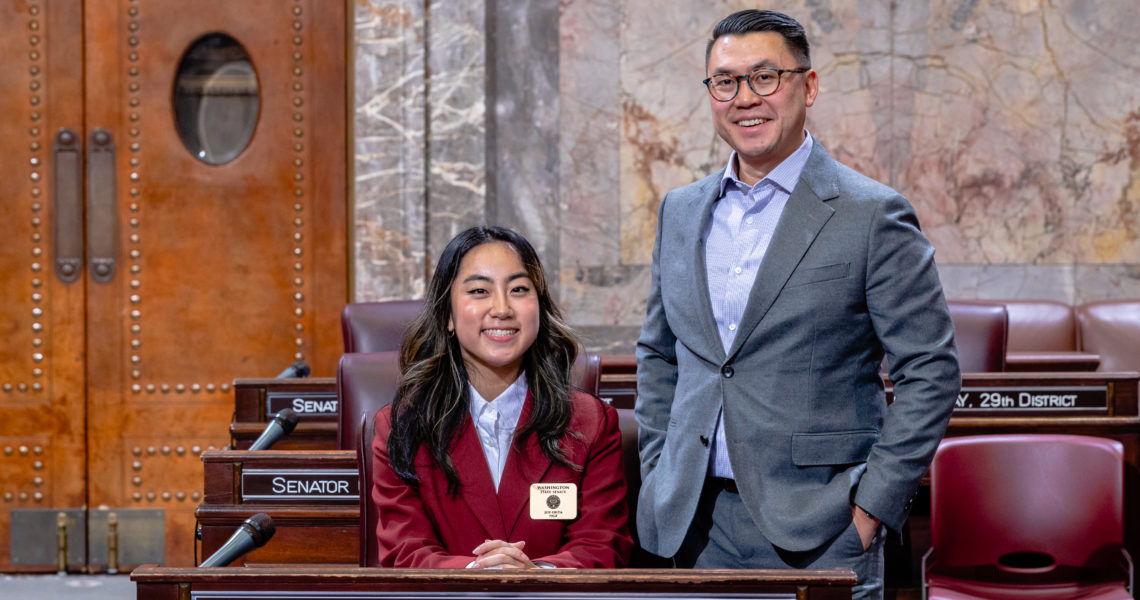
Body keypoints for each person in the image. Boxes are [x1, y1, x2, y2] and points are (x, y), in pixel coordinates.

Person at [634, 9, 960, 598]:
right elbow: (660, 356)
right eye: (725, 81)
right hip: (692, 525)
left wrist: (871, 510)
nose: (744, 98)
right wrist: (659, 468)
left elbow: (930, 372)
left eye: (765, 77)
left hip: (823, 528)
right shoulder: (680, 210)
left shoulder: (871, 213)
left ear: (808, 86)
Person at [371, 225, 632, 568]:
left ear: (539, 307)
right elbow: (405, 552)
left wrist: (535, 574)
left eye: (519, 289)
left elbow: (602, 547)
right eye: (479, 290)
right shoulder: (402, 425)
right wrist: (477, 572)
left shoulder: (591, 422)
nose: (502, 308)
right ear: (448, 315)